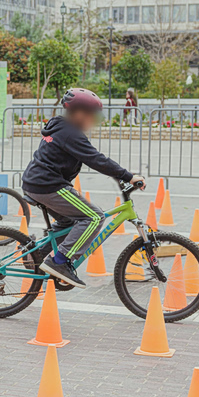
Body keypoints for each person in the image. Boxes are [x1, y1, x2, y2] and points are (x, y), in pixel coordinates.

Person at [22, 88, 144, 289]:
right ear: (79, 113)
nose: (94, 121)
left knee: (69, 221)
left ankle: (37, 254)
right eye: (91, 116)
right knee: (94, 217)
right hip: (48, 185)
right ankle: (59, 262)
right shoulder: (70, 133)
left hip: (38, 183)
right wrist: (128, 176)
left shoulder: (61, 128)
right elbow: (97, 160)